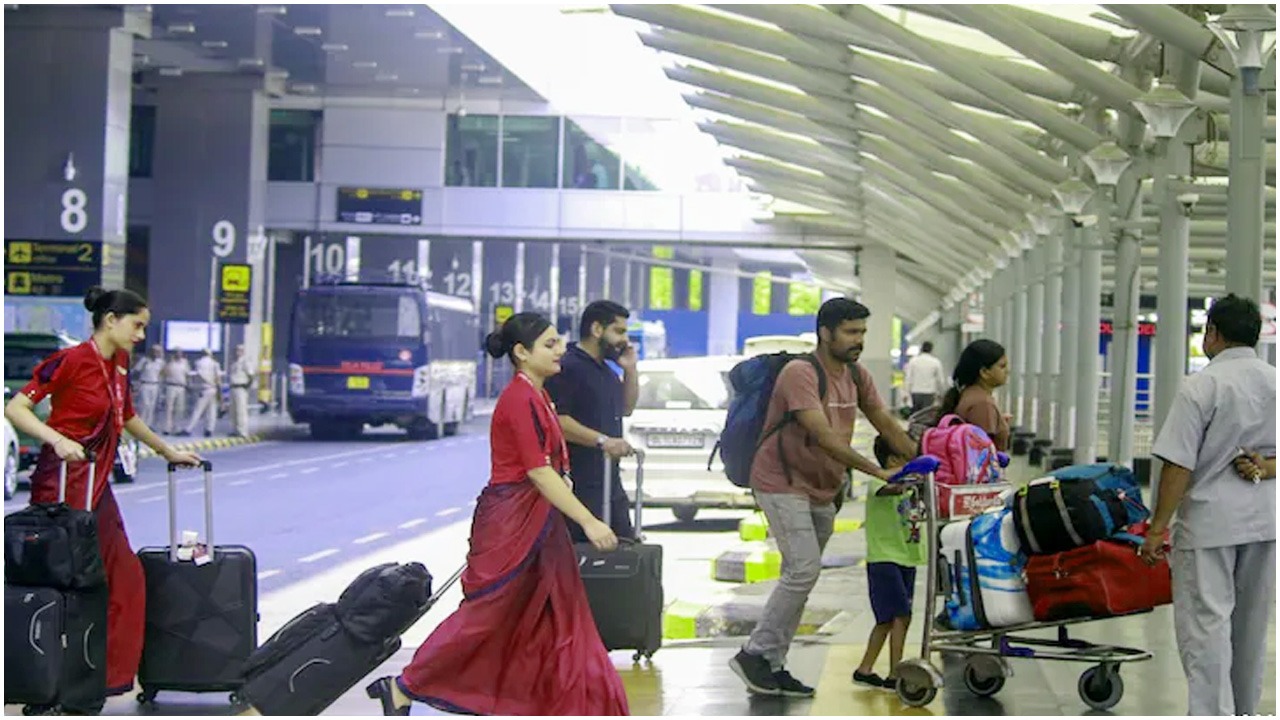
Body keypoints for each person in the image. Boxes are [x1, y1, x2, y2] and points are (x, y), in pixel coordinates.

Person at [365, 313, 629, 716]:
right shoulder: (519, 399)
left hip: (539, 522)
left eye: (558, 342)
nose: (560, 350)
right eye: (550, 344)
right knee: (488, 614)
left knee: (555, 617)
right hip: (512, 524)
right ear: (522, 352)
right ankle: (405, 686)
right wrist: (589, 521)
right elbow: (539, 472)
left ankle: (575, 703)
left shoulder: (539, 395)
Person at [3, 287, 202, 700]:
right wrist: (57, 440)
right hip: (61, 486)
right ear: (111, 320)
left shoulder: (120, 365)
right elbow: (16, 408)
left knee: (125, 576)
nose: (140, 335)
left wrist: (167, 451)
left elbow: (126, 416)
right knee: (69, 581)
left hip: (98, 485)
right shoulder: (70, 360)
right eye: (137, 325)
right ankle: (50, 675)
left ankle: (104, 676)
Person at [730, 297, 917, 699]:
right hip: (781, 481)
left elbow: (884, 422)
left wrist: (922, 460)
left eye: (862, 332)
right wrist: (878, 471)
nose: (858, 340)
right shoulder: (800, 374)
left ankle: (771, 663)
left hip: (823, 486)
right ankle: (755, 653)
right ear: (825, 333)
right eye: (850, 332)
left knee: (802, 575)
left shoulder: (856, 375)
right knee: (802, 570)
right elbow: (823, 436)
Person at [1139, 294, 1276, 716]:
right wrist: (1267, 467)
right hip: (1265, 523)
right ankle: (1244, 712)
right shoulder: (1275, 382)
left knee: (1207, 629)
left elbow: (1178, 464)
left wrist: (1157, 529)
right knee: (1250, 629)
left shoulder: (1202, 386)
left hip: (1210, 525)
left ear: (1213, 333)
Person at [545, 300, 639, 543]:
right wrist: (602, 441)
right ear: (597, 329)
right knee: (586, 555)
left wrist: (630, 370)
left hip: (609, 482)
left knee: (624, 549)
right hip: (579, 485)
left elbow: (626, 408)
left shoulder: (606, 371)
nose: (624, 340)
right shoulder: (568, 367)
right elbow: (558, 421)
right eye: (618, 331)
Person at [852, 436, 927, 690]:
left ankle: (864, 669)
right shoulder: (878, 481)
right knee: (901, 616)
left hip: (906, 556)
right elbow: (891, 489)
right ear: (894, 459)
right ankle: (896, 674)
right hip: (884, 558)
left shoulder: (914, 483)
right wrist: (913, 476)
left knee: (886, 620)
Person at [937, 339, 1011, 452]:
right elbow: (984, 452)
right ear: (984, 372)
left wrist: (998, 421)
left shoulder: (969, 393)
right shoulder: (983, 403)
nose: (1007, 371)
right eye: (1002, 366)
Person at [180, 348, 222, 437]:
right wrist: (219, 392)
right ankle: (209, 430)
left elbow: (197, 375)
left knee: (198, 410)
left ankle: (188, 429)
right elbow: (218, 378)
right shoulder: (215, 363)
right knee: (212, 411)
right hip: (213, 388)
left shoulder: (198, 363)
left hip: (204, 389)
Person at [902, 341, 947, 413]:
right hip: (929, 393)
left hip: (916, 392)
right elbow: (940, 380)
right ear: (931, 349)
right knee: (927, 414)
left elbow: (908, 378)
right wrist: (941, 394)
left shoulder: (913, 361)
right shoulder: (936, 362)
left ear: (921, 349)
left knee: (916, 414)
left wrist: (905, 393)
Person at [133, 345, 164, 426]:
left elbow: (161, 373)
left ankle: (149, 424)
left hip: (155, 385)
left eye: (157, 352)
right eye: (154, 351)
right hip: (145, 384)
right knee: (145, 405)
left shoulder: (160, 362)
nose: (156, 353)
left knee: (152, 406)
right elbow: (136, 370)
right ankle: (141, 424)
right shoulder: (144, 360)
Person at [228, 344, 255, 438]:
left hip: (241, 388)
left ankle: (243, 431)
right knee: (233, 411)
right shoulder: (234, 363)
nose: (237, 352)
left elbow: (251, 375)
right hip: (233, 387)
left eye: (239, 350)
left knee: (241, 410)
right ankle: (235, 430)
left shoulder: (245, 362)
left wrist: (247, 386)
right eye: (236, 350)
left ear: (243, 352)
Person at [162, 350, 191, 434]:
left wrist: (189, 385)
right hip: (171, 386)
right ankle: (167, 428)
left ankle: (177, 427)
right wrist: (169, 363)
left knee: (180, 409)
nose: (178, 355)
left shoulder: (185, 363)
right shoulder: (170, 363)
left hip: (181, 387)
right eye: (177, 353)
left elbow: (187, 375)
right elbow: (164, 373)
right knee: (169, 408)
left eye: (180, 353)